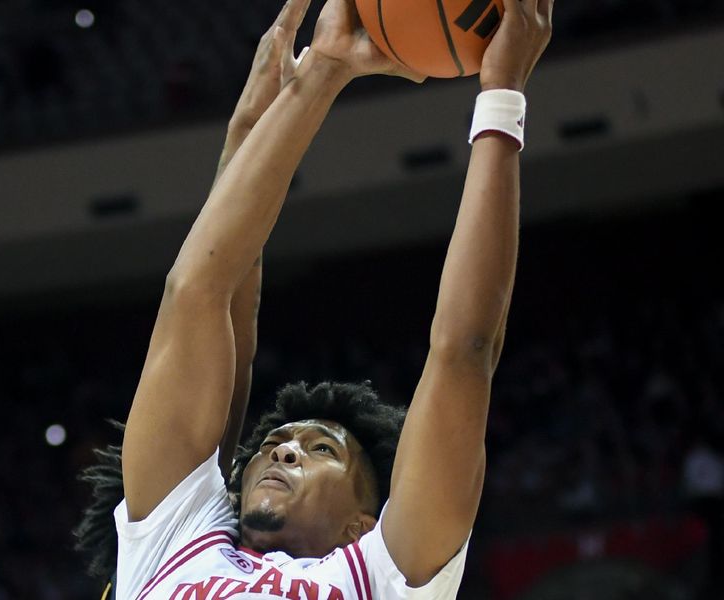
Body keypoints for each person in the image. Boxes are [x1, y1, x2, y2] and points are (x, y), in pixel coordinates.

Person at [75, 0, 554, 598]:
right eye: (278, 443)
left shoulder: (384, 575)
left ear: (364, 522)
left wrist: (503, 97)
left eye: (319, 448)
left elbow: (464, 352)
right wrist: (319, 74)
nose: (284, 451)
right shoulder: (173, 537)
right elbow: (199, 293)